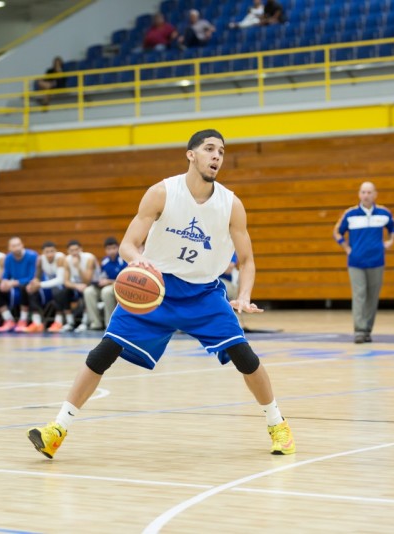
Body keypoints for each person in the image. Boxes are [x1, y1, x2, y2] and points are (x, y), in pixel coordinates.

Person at [27, 129, 296, 459]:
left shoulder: (231, 204)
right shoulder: (161, 193)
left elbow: (247, 259)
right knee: (103, 352)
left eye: (222, 152)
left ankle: (278, 425)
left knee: (245, 357)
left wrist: (245, 295)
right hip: (155, 290)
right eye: (209, 149)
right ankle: (57, 429)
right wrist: (139, 262)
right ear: (190, 154)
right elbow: (128, 243)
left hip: (204, 294)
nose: (217, 156)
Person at [332, 182, 394, 343]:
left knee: (372, 297)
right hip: (356, 262)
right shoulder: (350, 214)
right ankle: (359, 331)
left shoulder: (384, 213)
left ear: (375, 194)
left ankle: (368, 330)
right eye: (363, 192)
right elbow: (337, 232)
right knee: (359, 294)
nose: (366, 195)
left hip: (377, 261)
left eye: (369, 192)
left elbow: (392, 228)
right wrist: (346, 248)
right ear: (359, 194)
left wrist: (390, 242)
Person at [0, 237, 38, 333]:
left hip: (28, 286)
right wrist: (4, 282)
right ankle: (8, 319)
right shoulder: (8, 258)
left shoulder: (32, 256)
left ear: (22, 245)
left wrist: (13, 283)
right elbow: (6, 274)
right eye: (13, 246)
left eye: (18, 245)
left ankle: (23, 320)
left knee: (24, 287)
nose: (17, 248)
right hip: (13, 287)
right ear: (9, 248)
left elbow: (32, 276)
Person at [22, 241, 66, 333]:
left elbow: (60, 280)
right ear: (43, 252)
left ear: (56, 251)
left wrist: (40, 284)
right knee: (32, 290)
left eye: (52, 251)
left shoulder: (60, 258)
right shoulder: (40, 260)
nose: (50, 254)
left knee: (58, 292)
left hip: (64, 286)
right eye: (47, 252)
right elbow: (36, 278)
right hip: (49, 286)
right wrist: (32, 285)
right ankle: (37, 322)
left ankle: (58, 322)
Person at [85, 237, 126, 331]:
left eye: (114, 248)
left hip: (118, 285)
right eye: (109, 249)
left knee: (106, 292)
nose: (111, 251)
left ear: (118, 248)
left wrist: (109, 282)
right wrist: (100, 281)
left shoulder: (123, 260)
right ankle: (96, 323)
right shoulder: (105, 261)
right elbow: (102, 275)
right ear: (105, 250)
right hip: (105, 285)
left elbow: (126, 279)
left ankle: (109, 323)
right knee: (88, 291)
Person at [56, 240, 98, 333]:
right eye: (72, 250)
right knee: (63, 292)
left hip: (93, 285)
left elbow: (87, 280)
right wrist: (76, 286)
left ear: (81, 249)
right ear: (68, 251)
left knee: (87, 291)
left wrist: (78, 266)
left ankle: (85, 322)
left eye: (76, 250)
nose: (74, 253)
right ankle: (70, 322)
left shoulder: (89, 258)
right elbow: (66, 281)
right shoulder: (67, 260)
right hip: (77, 285)